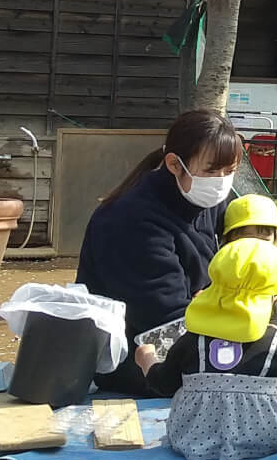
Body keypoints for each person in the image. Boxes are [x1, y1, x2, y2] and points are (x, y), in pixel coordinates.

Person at [77, 110, 243, 396]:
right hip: (141, 358)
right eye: (211, 171)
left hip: (202, 327)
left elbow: (256, 250)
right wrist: (227, 300)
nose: (221, 181)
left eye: (230, 171)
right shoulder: (130, 220)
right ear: (174, 164)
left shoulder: (209, 196)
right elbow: (166, 318)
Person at [132, 238, 277, 460]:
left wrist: (146, 358)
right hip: (266, 437)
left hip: (191, 436)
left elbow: (163, 383)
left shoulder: (192, 340)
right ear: (272, 298)